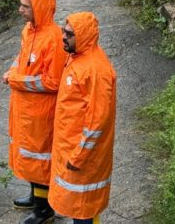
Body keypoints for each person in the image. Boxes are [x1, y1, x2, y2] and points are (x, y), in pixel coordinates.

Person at [2, 0, 66, 224]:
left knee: (39, 160)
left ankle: (44, 209)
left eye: (25, 6)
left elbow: (52, 81)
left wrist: (16, 79)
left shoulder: (55, 38)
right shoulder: (28, 31)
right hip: (24, 109)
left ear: (39, 8)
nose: (20, 10)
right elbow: (22, 58)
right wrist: (11, 70)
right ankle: (35, 196)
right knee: (29, 157)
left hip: (41, 113)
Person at [48, 12, 116, 224]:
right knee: (80, 205)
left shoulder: (94, 70)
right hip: (72, 148)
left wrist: (78, 156)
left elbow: (98, 121)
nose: (63, 37)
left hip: (82, 156)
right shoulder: (78, 57)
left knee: (84, 206)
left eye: (69, 34)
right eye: (63, 31)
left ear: (84, 36)